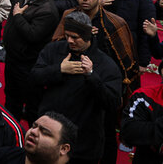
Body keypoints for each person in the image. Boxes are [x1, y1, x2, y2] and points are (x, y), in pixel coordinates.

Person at [30, 11, 123, 164]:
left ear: (87, 36)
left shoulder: (106, 64)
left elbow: (112, 102)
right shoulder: (54, 50)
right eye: (67, 35)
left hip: (83, 145)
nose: (70, 41)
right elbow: (34, 77)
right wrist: (58, 70)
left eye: (75, 37)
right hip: (47, 138)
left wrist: (92, 76)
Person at [0, 0, 60, 123]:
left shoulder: (48, 11)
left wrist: (17, 16)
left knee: (29, 103)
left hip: (28, 65)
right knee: (10, 98)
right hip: (12, 59)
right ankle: (10, 130)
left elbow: (32, 35)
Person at [0, 112, 76, 164]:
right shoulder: (9, 154)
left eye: (45, 132)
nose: (33, 132)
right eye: (34, 126)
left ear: (64, 149)